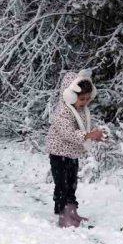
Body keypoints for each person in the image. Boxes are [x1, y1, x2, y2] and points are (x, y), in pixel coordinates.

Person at [44, 69, 106, 228]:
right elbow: (68, 133)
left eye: (87, 98)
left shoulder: (81, 110)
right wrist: (88, 135)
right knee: (62, 184)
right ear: (70, 95)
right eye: (81, 99)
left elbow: (86, 126)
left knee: (72, 183)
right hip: (59, 153)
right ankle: (63, 214)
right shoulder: (62, 111)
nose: (85, 102)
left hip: (72, 153)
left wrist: (96, 133)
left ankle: (72, 211)